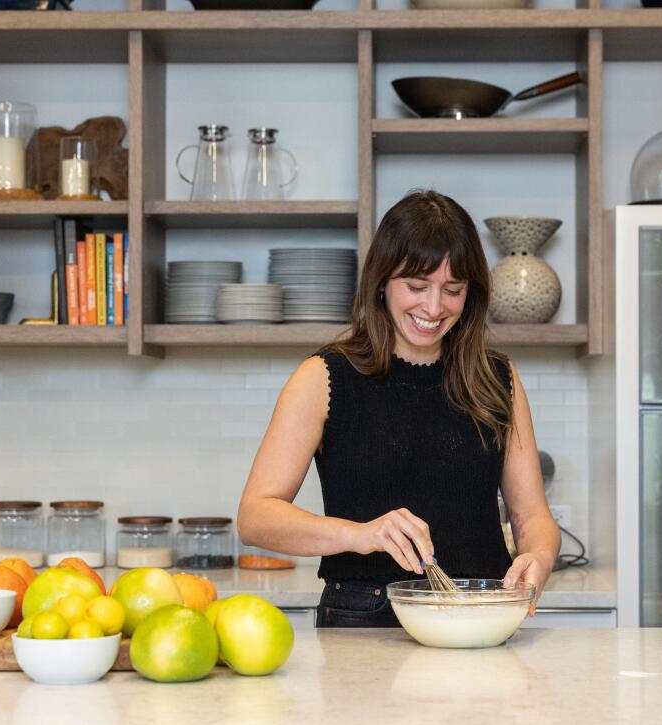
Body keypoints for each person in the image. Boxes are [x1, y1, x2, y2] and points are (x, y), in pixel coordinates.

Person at [237, 190, 560, 628]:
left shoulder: (497, 378)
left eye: (453, 290)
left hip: (478, 614)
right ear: (382, 282)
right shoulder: (322, 377)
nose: (434, 307)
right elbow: (256, 516)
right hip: (363, 614)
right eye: (416, 286)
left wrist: (537, 558)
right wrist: (360, 534)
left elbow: (531, 515)